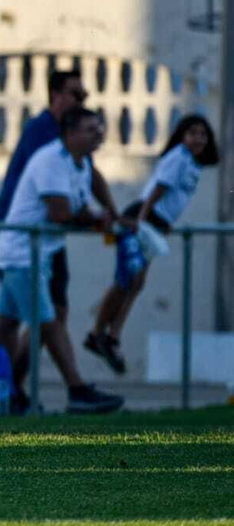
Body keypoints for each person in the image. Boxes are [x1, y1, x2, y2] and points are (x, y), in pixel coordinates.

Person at [0, 69, 121, 396]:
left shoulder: (76, 151)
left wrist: (112, 213)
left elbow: (91, 178)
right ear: (56, 96)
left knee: (22, 317)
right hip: (22, 236)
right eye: (77, 95)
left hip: (46, 240)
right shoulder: (45, 136)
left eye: (85, 96)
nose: (82, 100)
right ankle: (73, 389)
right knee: (43, 317)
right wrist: (97, 218)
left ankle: (1, 388)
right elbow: (58, 208)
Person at [86, 114, 218, 373]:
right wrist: (141, 222)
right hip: (144, 218)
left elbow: (174, 198)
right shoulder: (179, 157)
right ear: (182, 136)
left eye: (203, 134)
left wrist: (164, 223)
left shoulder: (193, 164)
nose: (198, 139)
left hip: (155, 222)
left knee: (136, 283)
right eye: (192, 133)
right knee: (127, 279)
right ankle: (98, 333)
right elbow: (158, 189)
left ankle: (112, 335)